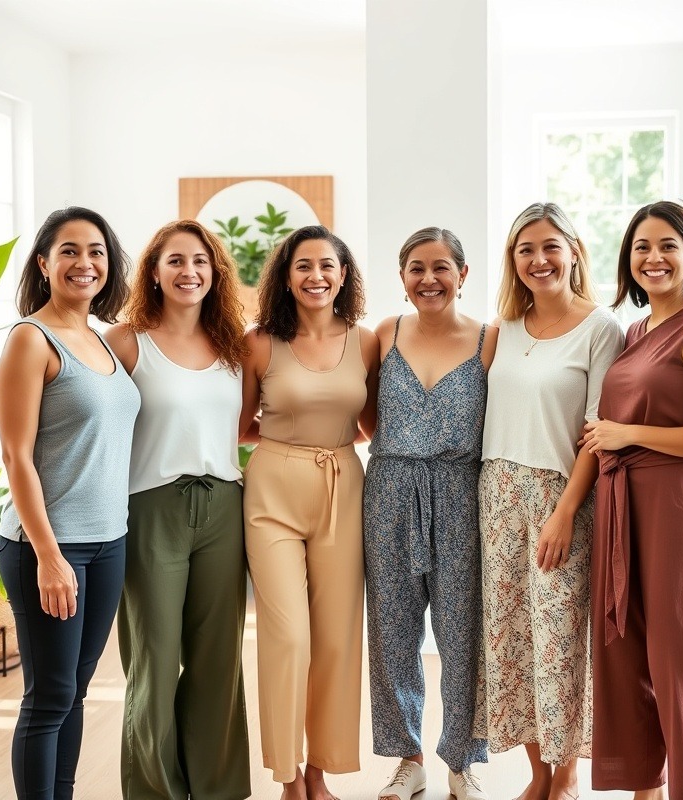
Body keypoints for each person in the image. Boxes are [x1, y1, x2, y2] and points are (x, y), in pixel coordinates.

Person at [582, 201, 683, 800]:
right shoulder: (633, 331)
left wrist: (629, 434)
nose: (654, 258)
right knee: (628, 648)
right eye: (642, 247)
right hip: (624, 503)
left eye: (668, 245)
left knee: (680, 655)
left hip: (677, 504)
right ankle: (645, 787)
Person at [474, 203, 624, 800]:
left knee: (560, 639)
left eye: (550, 247)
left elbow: (597, 428)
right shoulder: (502, 328)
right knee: (511, 637)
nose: (539, 260)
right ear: (513, 261)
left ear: (574, 252)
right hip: (496, 495)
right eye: (525, 250)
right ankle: (537, 774)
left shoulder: (601, 329)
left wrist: (563, 512)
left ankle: (565, 777)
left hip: (560, 498)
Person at [0, 207, 140, 800]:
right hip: (48, 547)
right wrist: (50, 556)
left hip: (109, 542)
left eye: (97, 252)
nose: (85, 263)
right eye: (70, 251)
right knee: (49, 695)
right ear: (44, 262)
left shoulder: (101, 341)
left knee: (73, 692)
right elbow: (15, 457)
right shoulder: (32, 338)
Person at [104, 219, 251, 800]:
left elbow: (244, 428)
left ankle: (217, 787)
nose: (189, 272)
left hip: (224, 505)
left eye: (201, 262)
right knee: (155, 658)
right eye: (176, 261)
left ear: (215, 273)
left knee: (219, 660)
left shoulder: (236, 346)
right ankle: (154, 791)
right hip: (151, 509)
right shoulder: (125, 342)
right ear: (154, 272)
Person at [240, 224, 379, 800]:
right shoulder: (259, 343)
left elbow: (372, 425)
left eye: (327, 266)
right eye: (303, 266)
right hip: (274, 487)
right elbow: (240, 425)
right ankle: (288, 774)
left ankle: (319, 772)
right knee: (289, 636)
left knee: (337, 639)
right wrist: (286, 442)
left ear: (344, 275)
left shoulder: (367, 341)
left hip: (345, 485)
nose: (316, 276)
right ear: (286, 276)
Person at [363, 227, 497, 800]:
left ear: (462, 275)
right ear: (402, 278)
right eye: (416, 268)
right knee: (392, 631)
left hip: (460, 493)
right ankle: (407, 758)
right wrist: (403, 451)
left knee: (462, 631)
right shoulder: (384, 333)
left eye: (441, 267)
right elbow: (366, 414)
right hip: (389, 489)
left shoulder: (491, 339)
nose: (429, 279)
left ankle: (462, 762)